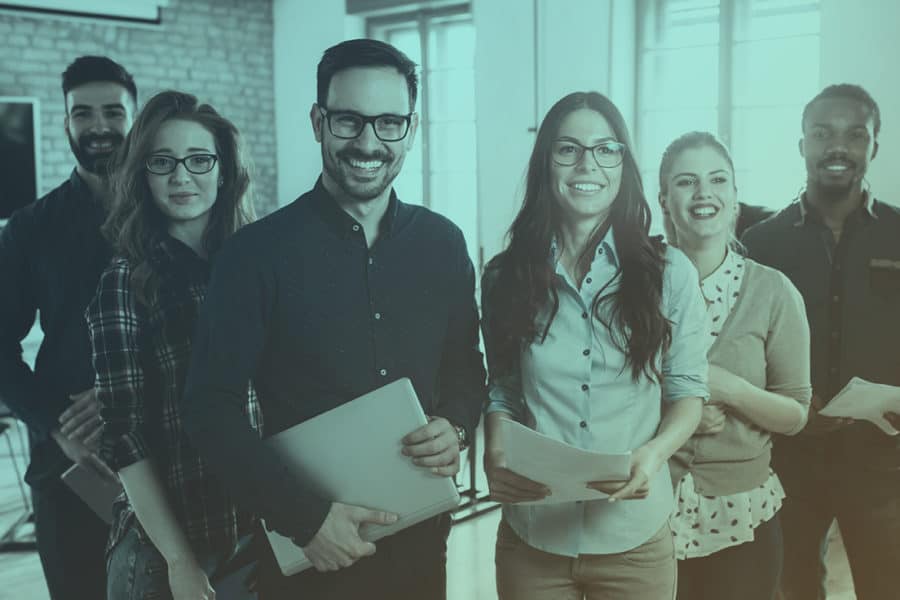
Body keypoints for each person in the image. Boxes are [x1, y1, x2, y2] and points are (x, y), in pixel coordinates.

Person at [180, 38, 486, 599]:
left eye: (389, 122)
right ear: (318, 122)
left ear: (411, 129)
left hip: (421, 545)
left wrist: (458, 426)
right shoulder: (253, 255)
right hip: (308, 555)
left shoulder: (444, 243)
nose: (369, 143)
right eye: (349, 121)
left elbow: (466, 367)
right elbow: (209, 408)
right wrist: (305, 518)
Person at [480, 91, 708, 600]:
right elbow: (504, 387)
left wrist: (652, 455)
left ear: (624, 164)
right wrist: (495, 444)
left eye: (607, 149)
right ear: (547, 162)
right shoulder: (504, 276)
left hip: (635, 538)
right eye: (569, 150)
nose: (589, 164)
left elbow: (689, 395)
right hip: (532, 536)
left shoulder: (669, 274)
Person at [85, 90, 258, 600]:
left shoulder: (254, 266)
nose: (182, 177)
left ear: (224, 171)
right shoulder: (124, 281)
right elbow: (125, 438)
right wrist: (180, 562)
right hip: (168, 554)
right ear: (143, 175)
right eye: (163, 162)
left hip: (257, 535)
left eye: (199, 159)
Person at [742, 84, 900, 600]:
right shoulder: (762, 243)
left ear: (874, 146)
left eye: (856, 134)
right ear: (803, 144)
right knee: (795, 588)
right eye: (822, 133)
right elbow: (741, 346)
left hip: (882, 463)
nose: (839, 146)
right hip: (789, 461)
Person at [0, 55, 136, 599]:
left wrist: (124, 390)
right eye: (83, 113)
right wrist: (58, 427)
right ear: (66, 123)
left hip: (171, 445)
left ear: (135, 117)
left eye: (112, 111)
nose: (98, 126)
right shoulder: (29, 229)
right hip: (69, 461)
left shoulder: (174, 212)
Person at [657, 131, 811, 600]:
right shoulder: (633, 287)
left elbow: (796, 414)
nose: (704, 193)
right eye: (686, 182)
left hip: (742, 520)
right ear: (664, 200)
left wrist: (731, 390)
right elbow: (601, 390)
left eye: (717, 179)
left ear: (735, 197)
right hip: (647, 513)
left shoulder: (774, 292)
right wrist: (677, 413)